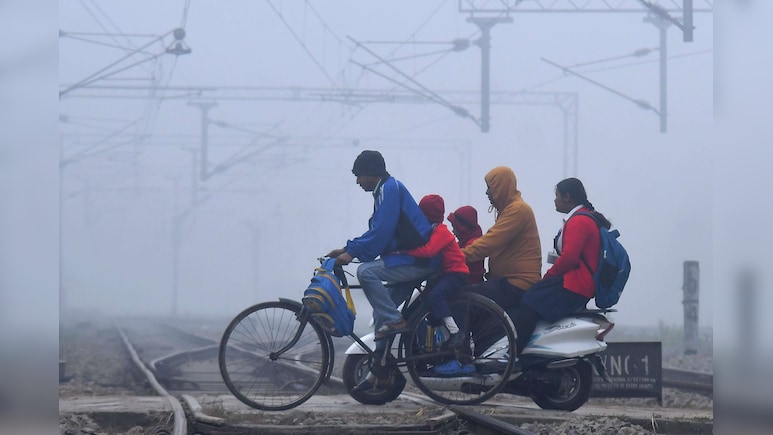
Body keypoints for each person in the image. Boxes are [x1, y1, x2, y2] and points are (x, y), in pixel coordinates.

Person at [326, 150, 436, 346]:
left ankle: (396, 322)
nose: (358, 181)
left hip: (420, 259)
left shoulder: (389, 189)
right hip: (409, 258)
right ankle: (381, 369)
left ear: (370, 172)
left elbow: (381, 234)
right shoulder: (384, 191)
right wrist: (346, 248)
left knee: (366, 272)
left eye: (358, 175)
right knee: (381, 313)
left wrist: (351, 253)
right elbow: (378, 233)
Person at [510, 177, 610, 358]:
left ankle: (514, 355)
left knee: (529, 301)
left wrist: (548, 277)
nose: (554, 200)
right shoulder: (584, 217)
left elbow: (569, 258)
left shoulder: (579, 221)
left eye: (556, 195)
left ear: (567, 197)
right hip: (579, 283)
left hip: (575, 284)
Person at [462, 166, 542, 357]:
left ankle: (461, 353)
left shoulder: (517, 210)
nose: (487, 193)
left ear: (501, 187)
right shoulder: (508, 210)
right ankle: (483, 357)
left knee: (462, 300)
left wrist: (456, 257)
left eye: (490, 187)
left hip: (516, 283)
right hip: (505, 281)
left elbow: (490, 241)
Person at [401, 194, 474, 376]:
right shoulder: (434, 230)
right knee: (424, 304)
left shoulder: (441, 231)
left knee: (435, 296)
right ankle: (432, 346)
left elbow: (428, 251)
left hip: (456, 273)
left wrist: (404, 250)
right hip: (446, 273)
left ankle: (455, 333)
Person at [447, 205, 485, 284]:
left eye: (455, 227)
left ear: (462, 227)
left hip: (467, 285)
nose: (453, 231)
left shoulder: (472, 244)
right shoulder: (466, 241)